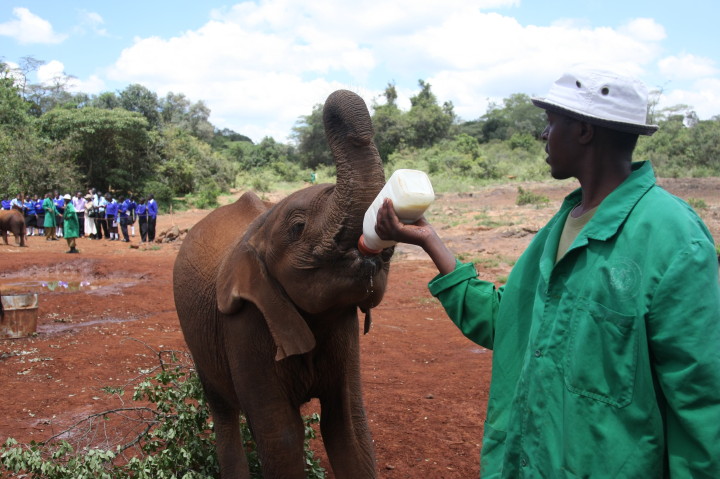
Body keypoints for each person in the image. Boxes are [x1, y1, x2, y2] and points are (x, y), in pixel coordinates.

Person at [374, 69, 720, 477]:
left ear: (585, 131)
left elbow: (701, 402)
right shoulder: (563, 225)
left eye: (551, 122)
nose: (543, 134)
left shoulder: (673, 237)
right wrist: (429, 240)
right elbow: (509, 323)